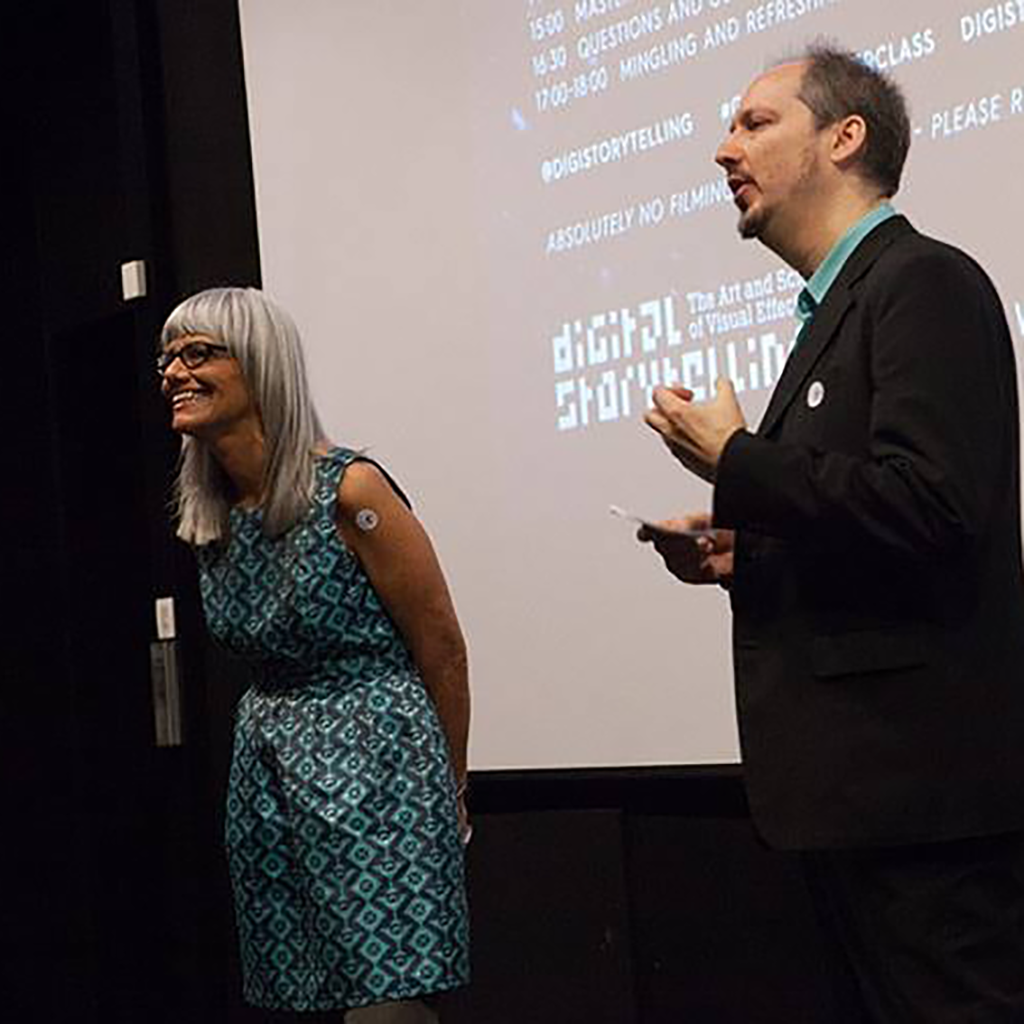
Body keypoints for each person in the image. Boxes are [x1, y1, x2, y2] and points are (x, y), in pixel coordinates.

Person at [640, 45, 1024, 1022]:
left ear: (845, 136)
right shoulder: (840, 310)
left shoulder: (923, 283)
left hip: (921, 801)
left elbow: (934, 507)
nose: (722, 149)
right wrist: (746, 547)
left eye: (754, 122)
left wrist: (737, 462)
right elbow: (868, 516)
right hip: (860, 801)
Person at [158, 286, 470, 1023]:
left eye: (198, 352)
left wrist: (446, 787)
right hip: (270, 775)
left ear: (260, 365)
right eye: (168, 356)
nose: (174, 370)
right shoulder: (212, 514)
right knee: (296, 994)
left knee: (386, 1002)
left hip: (381, 769)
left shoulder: (349, 489)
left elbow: (441, 646)